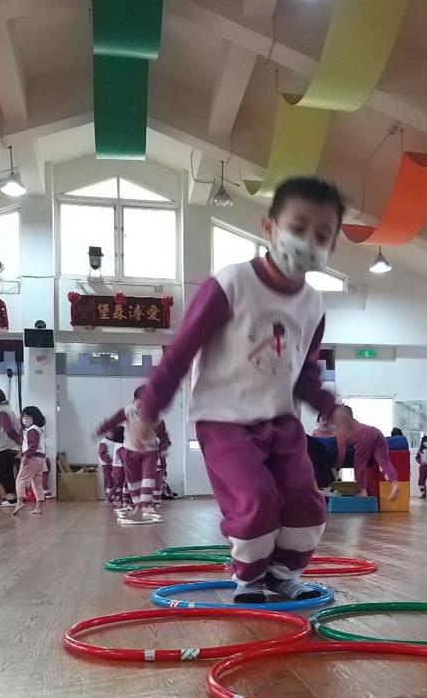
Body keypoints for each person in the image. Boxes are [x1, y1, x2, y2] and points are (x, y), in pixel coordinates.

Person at [125, 176, 344, 602]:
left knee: (306, 502)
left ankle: (282, 575)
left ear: (332, 246)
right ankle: (249, 578)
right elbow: (182, 350)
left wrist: (330, 408)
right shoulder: (231, 283)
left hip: (282, 421)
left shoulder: (314, 304)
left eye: (321, 236)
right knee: (257, 499)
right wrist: (148, 410)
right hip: (223, 420)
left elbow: (304, 372)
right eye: (298, 228)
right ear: (269, 227)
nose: (307, 242)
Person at [97, 385, 160, 521]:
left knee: (147, 478)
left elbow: (162, 433)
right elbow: (112, 421)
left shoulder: (155, 416)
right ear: (133, 402)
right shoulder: (127, 413)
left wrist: (164, 447)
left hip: (148, 451)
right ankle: (130, 502)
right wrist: (101, 429)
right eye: (140, 405)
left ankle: (143, 504)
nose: (143, 408)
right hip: (126, 456)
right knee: (126, 482)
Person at [333, 405, 399, 501]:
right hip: (376, 432)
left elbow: (341, 453)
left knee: (359, 465)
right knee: (384, 462)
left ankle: (363, 491)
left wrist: (337, 465)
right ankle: (394, 484)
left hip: (364, 435)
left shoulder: (341, 431)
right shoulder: (353, 423)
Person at [12, 406, 46, 516]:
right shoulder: (38, 429)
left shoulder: (32, 430)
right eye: (24, 417)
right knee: (37, 483)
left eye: (28, 417)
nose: (25, 419)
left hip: (32, 457)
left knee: (20, 480)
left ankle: (19, 502)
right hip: (40, 458)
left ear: (34, 417)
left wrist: (26, 457)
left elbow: (33, 445)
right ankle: (39, 507)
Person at [0, 389, 21, 506]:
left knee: (1, 472)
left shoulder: (1, 411)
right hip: (11, 446)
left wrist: (17, 439)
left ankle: (10, 497)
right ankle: (12, 497)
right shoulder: (9, 410)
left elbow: (9, 429)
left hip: (4, 445)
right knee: (8, 473)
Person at [97, 431, 116, 506]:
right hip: (107, 465)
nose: (112, 434)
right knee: (109, 482)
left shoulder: (114, 441)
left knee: (114, 482)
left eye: (113, 432)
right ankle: (107, 498)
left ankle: (111, 498)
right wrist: (110, 461)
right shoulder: (104, 442)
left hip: (113, 465)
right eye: (110, 432)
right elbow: (102, 454)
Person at [111, 425, 126, 507]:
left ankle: (122, 500)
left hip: (116, 468)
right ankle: (109, 499)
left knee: (120, 485)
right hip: (119, 468)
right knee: (118, 485)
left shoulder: (117, 445)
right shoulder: (120, 446)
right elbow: (123, 458)